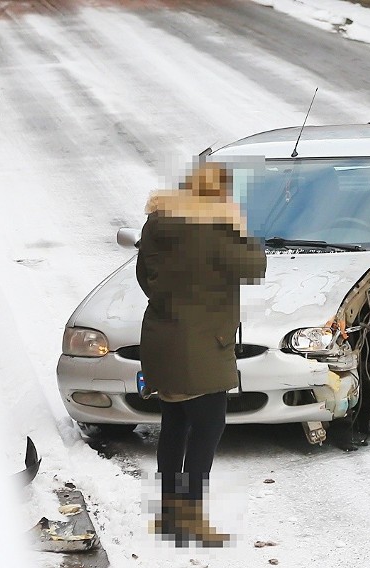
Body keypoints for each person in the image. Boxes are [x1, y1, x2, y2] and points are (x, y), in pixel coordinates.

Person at [136, 162, 266, 547]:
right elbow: (255, 265)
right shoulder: (211, 229)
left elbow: (145, 279)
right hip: (202, 345)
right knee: (208, 428)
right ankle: (189, 517)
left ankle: (168, 514)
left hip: (162, 338)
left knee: (175, 424)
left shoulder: (157, 225)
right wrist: (239, 225)